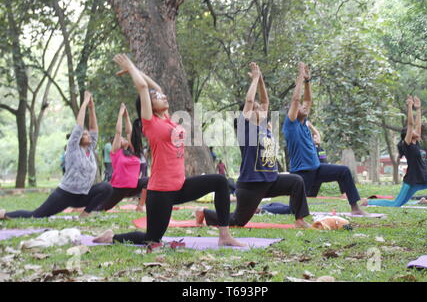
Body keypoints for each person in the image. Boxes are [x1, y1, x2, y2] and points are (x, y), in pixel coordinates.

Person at [93, 54, 244, 247]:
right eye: (156, 98)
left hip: (180, 186)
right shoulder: (150, 123)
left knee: (220, 181)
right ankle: (111, 236)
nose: (162, 96)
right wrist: (131, 67)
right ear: (148, 105)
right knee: (153, 238)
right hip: (161, 191)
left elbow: (156, 88)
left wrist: (137, 71)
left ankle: (225, 236)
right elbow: (144, 88)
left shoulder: (167, 119)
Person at [195, 62, 311, 228]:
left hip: (271, 180)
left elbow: (264, 101)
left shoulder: (264, 127)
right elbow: (250, 100)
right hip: (252, 184)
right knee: (236, 221)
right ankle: (204, 213)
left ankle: (300, 220)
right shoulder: (245, 128)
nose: (261, 110)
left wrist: (261, 79)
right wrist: (255, 79)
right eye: (256, 109)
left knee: (296, 181)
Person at [0, 92, 113, 220]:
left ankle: (85, 214)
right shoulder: (73, 148)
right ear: (79, 137)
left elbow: (93, 128)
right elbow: (79, 126)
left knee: (107, 187)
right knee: (36, 215)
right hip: (65, 194)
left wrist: (92, 108)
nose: (88, 135)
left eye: (88, 134)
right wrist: (85, 103)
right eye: (85, 134)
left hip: (82, 195)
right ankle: (4, 214)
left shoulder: (90, 149)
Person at [283, 62, 366, 215]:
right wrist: (300, 77)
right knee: (292, 210)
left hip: (317, 168)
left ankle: (355, 208)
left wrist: (308, 82)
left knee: (344, 171)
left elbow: (307, 101)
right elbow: (296, 100)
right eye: (301, 107)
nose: (305, 107)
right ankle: (264, 208)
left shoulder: (304, 124)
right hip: (302, 173)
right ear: (293, 111)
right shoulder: (291, 124)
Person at [361, 96, 427, 210]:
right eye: (412, 131)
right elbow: (411, 124)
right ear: (408, 135)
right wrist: (409, 107)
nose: (417, 131)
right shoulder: (407, 145)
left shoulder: (416, 142)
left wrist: (418, 109)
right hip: (412, 182)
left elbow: (417, 125)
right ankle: (368, 202)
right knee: (396, 204)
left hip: (424, 178)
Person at [97, 103, 148, 213]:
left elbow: (129, 132)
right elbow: (119, 132)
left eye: (125, 138)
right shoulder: (116, 152)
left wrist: (126, 116)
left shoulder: (132, 151)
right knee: (100, 209)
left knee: (148, 181)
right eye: (121, 139)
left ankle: (140, 206)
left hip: (133, 186)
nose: (124, 138)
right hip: (118, 188)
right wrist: (120, 114)